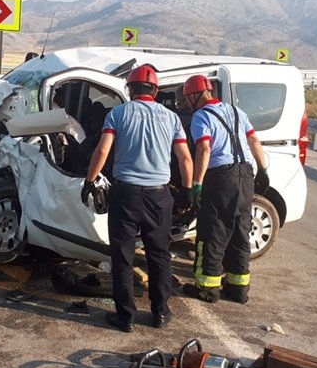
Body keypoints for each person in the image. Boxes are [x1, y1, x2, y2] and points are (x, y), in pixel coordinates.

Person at [82, 64, 193, 332]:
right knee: (159, 254)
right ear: (155, 90)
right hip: (159, 196)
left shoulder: (118, 114)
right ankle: (160, 312)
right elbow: (184, 158)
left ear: (130, 89)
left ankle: (126, 316)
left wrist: (89, 180)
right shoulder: (171, 118)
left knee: (122, 256)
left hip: (126, 194)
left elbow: (102, 151)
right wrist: (188, 190)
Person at [180, 75, 269, 305]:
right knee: (240, 231)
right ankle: (239, 289)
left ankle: (208, 289)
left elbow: (204, 149)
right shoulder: (237, 112)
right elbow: (254, 142)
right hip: (246, 175)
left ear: (193, 95)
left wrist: (197, 183)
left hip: (220, 177)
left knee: (213, 231)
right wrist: (263, 170)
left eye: (187, 98)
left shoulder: (201, 116)